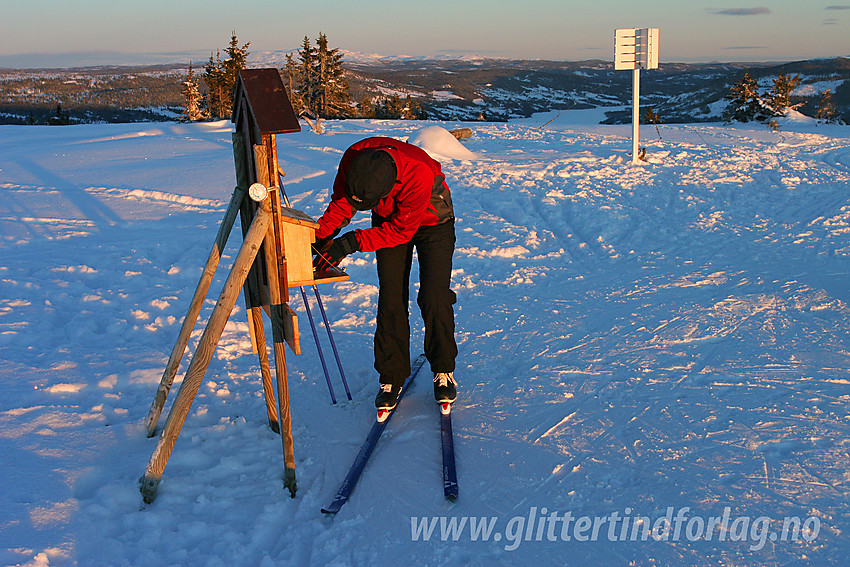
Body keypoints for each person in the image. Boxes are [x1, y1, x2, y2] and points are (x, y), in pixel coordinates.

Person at [312, 136, 458, 411]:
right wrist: (321, 237)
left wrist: (350, 242)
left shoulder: (418, 171)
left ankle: (443, 370)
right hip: (388, 219)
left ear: (389, 186)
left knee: (434, 296)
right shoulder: (354, 156)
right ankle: (391, 376)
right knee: (391, 296)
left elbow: (401, 231)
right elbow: (343, 202)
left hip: (433, 221)